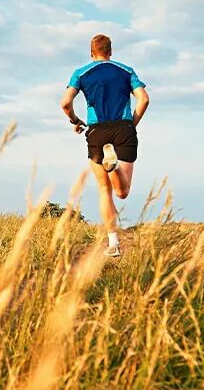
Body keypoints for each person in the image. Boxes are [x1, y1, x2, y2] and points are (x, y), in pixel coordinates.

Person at [60, 34, 149, 258]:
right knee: (122, 191)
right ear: (110, 51)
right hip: (124, 129)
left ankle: (113, 243)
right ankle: (115, 166)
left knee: (104, 190)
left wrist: (75, 120)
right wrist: (132, 123)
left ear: (92, 53)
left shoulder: (81, 73)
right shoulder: (126, 70)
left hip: (97, 131)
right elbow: (144, 99)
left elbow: (65, 102)